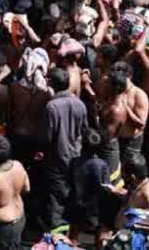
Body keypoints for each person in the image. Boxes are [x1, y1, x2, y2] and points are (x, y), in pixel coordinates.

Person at [43, 66, 87, 230]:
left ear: (52, 84)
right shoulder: (79, 104)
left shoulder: (52, 106)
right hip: (75, 155)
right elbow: (84, 130)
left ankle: (55, 230)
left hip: (56, 156)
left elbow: (49, 136)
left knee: (55, 195)